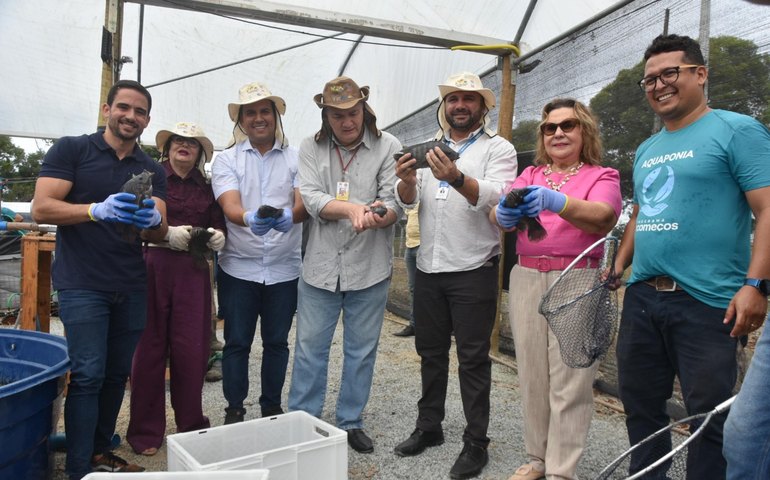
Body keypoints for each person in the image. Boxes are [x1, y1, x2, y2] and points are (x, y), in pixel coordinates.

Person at [608, 34, 770, 479]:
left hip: (708, 301)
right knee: (640, 407)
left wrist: (756, 285)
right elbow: (641, 214)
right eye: (649, 80)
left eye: (669, 73)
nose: (658, 85)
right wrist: (620, 265)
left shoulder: (737, 130)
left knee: (708, 420)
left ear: (700, 74)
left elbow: (767, 207)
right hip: (643, 298)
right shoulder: (646, 149)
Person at [31, 79, 167, 479]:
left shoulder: (151, 168)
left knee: (114, 373)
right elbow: (42, 207)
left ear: (147, 120)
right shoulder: (73, 149)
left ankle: (99, 451)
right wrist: (94, 210)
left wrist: (155, 222)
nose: (131, 116)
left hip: (130, 282)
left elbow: (159, 230)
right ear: (107, 109)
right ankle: (77, 469)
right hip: (82, 282)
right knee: (88, 374)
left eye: (140, 111)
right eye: (124, 107)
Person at [393, 72, 517, 480]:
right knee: (430, 353)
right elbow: (410, 200)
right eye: (453, 100)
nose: (460, 106)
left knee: (472, 360)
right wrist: (408, 182)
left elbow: (500, 197)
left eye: (469, 99)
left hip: (473, 270)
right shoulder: (430, 148)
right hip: (428, 267)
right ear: (444, 107)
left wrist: (457, 178)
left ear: (483, 107)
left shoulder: (499, 149)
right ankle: (429, 427)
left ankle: (476, 442)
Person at [492, 99, 621, 480]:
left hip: (576, 279)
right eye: (550, 128)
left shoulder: (603, 175)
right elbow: (500, 210)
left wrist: (557, 201)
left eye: (568, 126)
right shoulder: (529, 172)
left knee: (571, 377)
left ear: (585, 132)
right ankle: (537, 459)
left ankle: (561, 471)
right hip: (527, 276)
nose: (559, 133)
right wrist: (501, 214)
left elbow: (604, 217)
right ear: (543, 136)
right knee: (531, 373)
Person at [288, 76, 400, 454]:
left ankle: (350, 421)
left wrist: (378, 214)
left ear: (364, 109)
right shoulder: (310, 147)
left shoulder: (389, 146)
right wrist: (352, 208)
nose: (347, 122)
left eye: (352, 113)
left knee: (361, 350)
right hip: (320, 268)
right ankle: (304, 420)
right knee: (309, 349)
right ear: (326, 115)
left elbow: (394, 202)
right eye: (337, 115)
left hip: (369, 268)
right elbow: (313, 198)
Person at [127, 122, 226, 455]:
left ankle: (191, 424)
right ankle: (144, 432)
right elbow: (134, 221)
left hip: (193, 268)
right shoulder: (150, 179)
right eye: (178, 141)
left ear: (199, 153)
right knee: (148, 349)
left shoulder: (206, 187)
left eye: (192, 143)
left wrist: (216, 235)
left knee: (192, 349)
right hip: (152, 265)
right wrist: (166, 234)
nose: (185, 146)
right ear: (166, 148)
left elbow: (218, 220)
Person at [211, 81, 307, 424]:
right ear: (241, 120)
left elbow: (302, 202)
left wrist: (289, 216)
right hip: (239, 267)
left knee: (277, 342)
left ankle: (271, 407)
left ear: (275, 115)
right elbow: (230, 204)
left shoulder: (297, 157)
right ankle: (235, 408)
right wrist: (249, 218)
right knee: (236, 342)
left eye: (264, 111)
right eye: (249, 112)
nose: (258, 118)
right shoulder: (226, 159)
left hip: (284, 268)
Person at [393, 204, 420, 337]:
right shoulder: (412, 200)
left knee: (429, 290)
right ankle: (414, 325)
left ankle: (431, 326)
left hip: (424, 246)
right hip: (410, 246)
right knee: (413, 288)